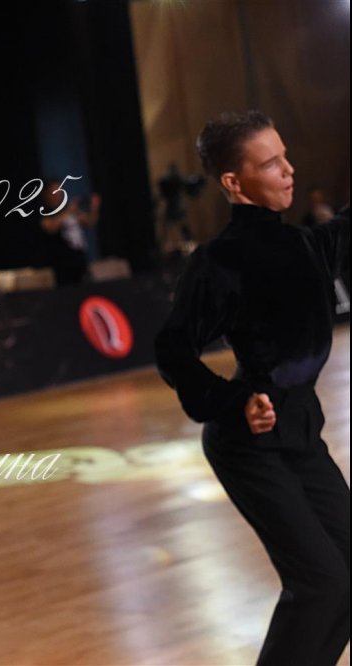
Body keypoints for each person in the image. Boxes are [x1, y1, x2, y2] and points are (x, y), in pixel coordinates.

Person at [155, 110, 349, 665]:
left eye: (285, 157)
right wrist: (234, 402)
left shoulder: (307, 246)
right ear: (234, 183)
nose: (289, 171)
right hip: (249, 442)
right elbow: (172, 349)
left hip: (301, 431)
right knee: (320, 583)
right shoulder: (219, 263)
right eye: (270, 164)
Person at [37, 179, 101, 285]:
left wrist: (94, 207)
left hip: (79, 259)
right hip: (61, 264)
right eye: (54, 191)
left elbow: (89, 222)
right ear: (46, 194)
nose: (58, 195)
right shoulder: (44, 211)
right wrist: (69, 210)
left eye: (60, 191)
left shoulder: (67, 210)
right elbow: (50, 227)